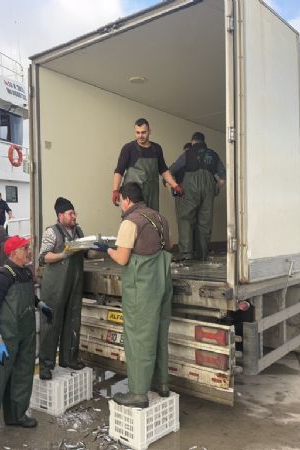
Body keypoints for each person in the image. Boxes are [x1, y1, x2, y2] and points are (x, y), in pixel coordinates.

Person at [93, 182, 173, 408]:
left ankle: (138, 393)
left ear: (127, 199)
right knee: (159, 332)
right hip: (163, 281)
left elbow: (122, 258)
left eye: (120, 201)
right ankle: (162, 384)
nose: (120, 205)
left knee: (138, 337)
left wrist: (107, 249)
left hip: (142, 286)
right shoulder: (161, 219)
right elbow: (167, 247)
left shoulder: (130, 221)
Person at [0, 235, 53, 450]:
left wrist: (40, 304)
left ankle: (16, 415)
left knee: (22, 376)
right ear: (14, 252)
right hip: (5, 338)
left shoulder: (25, 272)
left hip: (25, 334)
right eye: (25, 248)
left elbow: (28, 296)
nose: (29, 251)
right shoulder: (2, 276)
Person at [38, 197, 90, 380]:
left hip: (74, 284)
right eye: (70, 213)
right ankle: (46, 365)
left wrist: (97, 246)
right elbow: (43, 257)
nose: (74, 216)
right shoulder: (51, 232)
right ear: (60, 215)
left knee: (73, 320)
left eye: (74, 213)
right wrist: (63, 254)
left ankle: (69, 359)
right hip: (55, 286)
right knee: (50, 324)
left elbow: (87, 254)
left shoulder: (79, 231)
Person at [169, 132, 226, 261]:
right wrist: (215, 188)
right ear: (204, 142)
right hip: (208, 186)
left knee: (186, 219)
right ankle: (202, 254)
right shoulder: (213, 154)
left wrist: (175, 186)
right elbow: (223, 177)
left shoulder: (187, 153)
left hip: (190, 186)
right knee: (205, 221)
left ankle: (186, 254)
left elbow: (172, 170)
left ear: (193, 141)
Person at [112, 118, 182, 211]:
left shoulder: (157, 148)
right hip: (133, 195)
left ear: (149, 131)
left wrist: (175, 185)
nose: (140, 135)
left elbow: (163, 170)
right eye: (137, 132)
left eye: (143, 132)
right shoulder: (128, 148)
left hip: (152, 194)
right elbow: (119, 170)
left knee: (152, 217)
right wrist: (115, 190)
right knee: (134, 217)